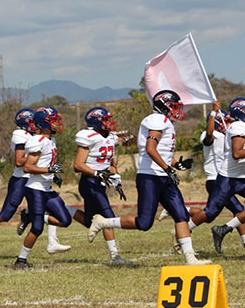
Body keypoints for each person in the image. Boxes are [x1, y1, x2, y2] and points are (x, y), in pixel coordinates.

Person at [87, 90, 212, 265]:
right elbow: (150, 149)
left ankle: (190, 259)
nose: (176, 109)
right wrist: (168, 168)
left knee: (181, 214)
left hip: (162, 176)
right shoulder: (157, 120)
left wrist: (175, 165)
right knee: (144, 223)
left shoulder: (164, 121)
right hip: (150, 177)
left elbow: (162, 152)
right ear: (164, 106)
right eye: (173, 106)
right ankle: (104, 222)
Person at [159, 100, 245, 255]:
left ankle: (234, 235)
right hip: (225, 180)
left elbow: (242, 148)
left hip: (241, 178)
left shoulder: (241, 129)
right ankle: (184, 231)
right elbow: (235, 153)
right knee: (210, 213)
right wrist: (214, 113)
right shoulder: (225, 131)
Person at [0, 108, 70, 254]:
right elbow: (20, 161)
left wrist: (50, 169)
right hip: (22, 178)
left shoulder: (45, 138)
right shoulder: (20, 134)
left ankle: (52, 241)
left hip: (38, 178)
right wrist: (41, 159)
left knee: (49, 208)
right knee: (6, 214)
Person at [13, 106, 73, 269]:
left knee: (65, 220)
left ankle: (30, 216)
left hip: (46, 189)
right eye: (53, 120)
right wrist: (49, 170)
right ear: (43, 123)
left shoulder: (51, 140)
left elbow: (46, 163)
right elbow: (28, 168)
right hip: (35, 189)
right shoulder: (38, 141)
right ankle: (21, 260)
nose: (57, 123)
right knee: (37, 228)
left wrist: (53, 175)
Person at [72, 106, 132, 265]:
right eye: (105, 120)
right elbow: (77, 165)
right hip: (89, 182)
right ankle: (115, 257)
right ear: (95, 122)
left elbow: (109, 161)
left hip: (100, 182)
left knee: (89, 221)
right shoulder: (89, 136)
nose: (109, 122)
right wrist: (97, 174)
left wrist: (116, 178)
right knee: (108, 216)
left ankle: (64, 210)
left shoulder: (110, 137)